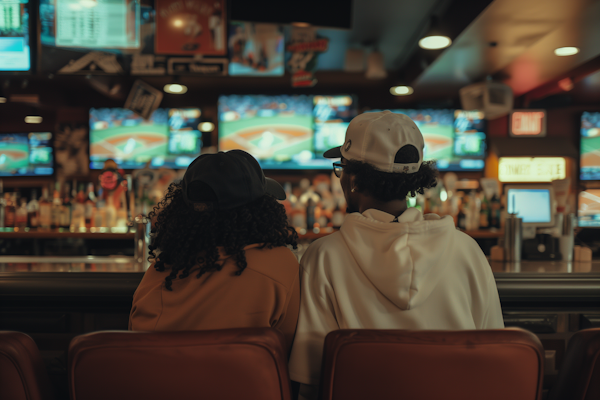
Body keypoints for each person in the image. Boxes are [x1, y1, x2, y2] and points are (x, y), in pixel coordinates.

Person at [288, 111, 504, 399]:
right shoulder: (468, 250)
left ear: (352, 179)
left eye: (341, 168)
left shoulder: (323, 257)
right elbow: (493, 357)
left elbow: (312, 378)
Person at [129, 150, 300, 353]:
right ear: (263, 209)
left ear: (180, 212)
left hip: (161, 382)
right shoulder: (280, 265)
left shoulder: (158, 275)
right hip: (248, 383)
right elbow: (289, 351)